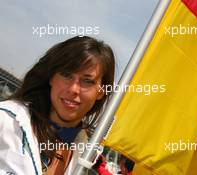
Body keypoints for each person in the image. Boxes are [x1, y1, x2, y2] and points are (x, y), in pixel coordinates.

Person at [0, 35, 115, 175]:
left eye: (87, 81)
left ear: (101, 92)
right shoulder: (6, 118)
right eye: (66, 75)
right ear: (51, 78)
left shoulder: (84, 158)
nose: (73, 89)